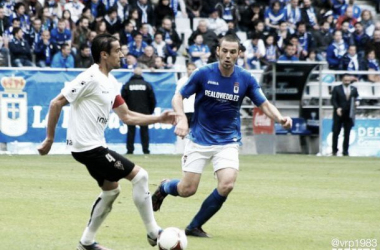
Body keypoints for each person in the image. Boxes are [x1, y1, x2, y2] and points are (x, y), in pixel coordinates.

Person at [38, 34, 175, 250]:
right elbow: (56, 103)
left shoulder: (111, 83)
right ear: (104, 55)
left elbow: (127, 116)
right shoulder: (89, 77)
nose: (122, 54)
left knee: (112, 191)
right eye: (117, 50)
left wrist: (159, 118)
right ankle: (153, 232)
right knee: (141, 176)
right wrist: (49, 139)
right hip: (88, 148)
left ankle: (86, 242)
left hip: (93, 147)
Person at [151, 34, 292, 237]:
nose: (228, 55)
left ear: (239, 54)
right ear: (218, 51)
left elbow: (263, 104)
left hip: (227, 141)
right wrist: (181, 119)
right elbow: (178, 96)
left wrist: (280, 118)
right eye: (224, 51)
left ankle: (194, 226)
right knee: (187, 190)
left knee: (227, 184)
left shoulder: (245, 78)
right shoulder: (203, 74)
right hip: (199, 139)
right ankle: (165, 187)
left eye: (232, 52)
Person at [121, 67, 156, 154]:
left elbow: (122, 100)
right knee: (144, 131)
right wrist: (150, 112)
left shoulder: (127, 85)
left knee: (130, 131)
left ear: (133, 74)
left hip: (130, 112)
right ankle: (146, 150)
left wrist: (125, 111)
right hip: (144, 112)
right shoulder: (147, 85)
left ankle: (130, 150)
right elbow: (152, 100)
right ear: (142, 74)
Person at [331, 74, 359, 156]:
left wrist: (357, 102)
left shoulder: (354, 89)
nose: (347, 82)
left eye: (348, 80)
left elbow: (357, 97)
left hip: (349, 114)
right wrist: (337, 108)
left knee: (347, 133)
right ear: (342, 80)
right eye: (345, 80)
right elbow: (333, 100)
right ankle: (334, 150)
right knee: (336, 132)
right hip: (339, 113)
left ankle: (345, 151)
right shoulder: (337, 88)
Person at [175, 62, 196, 127]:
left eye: (193, 69)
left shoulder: (199, 80)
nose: (191, 71)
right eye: (189, 69)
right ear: (186, 69)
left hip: (195, 110)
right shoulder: (181, 81)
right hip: (185, 109)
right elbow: (177, 96)